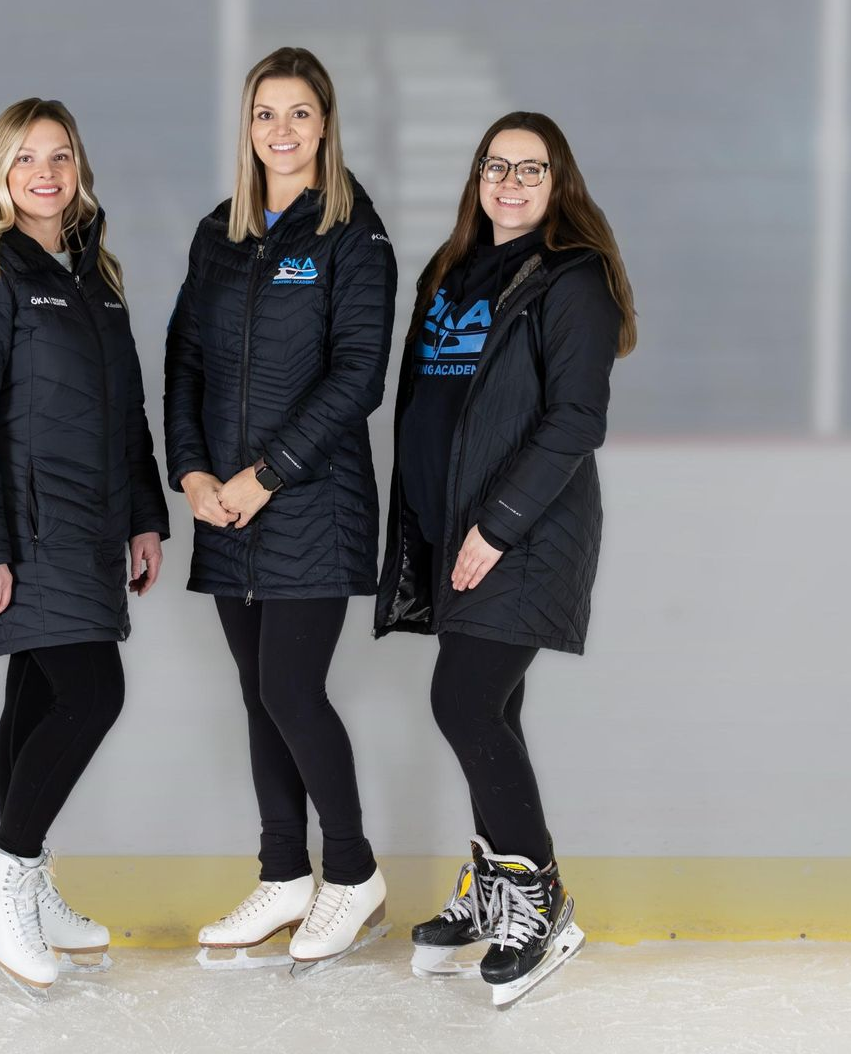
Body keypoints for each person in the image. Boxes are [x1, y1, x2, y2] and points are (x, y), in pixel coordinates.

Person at [374, 111, 638, 1008]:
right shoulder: (449, 271)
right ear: (477, 179)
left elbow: (576, 420)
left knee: (462, 700)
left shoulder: (573, 277)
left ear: (559, 183)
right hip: (454, 532)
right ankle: (497, 884)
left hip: (523, 533)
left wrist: (496, 526)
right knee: (493, 707)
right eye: (497, 166)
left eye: (532, 169)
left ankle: (540, 896)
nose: (511, 183)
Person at [0, 98, 168, 992]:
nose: (45, 173)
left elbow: (125, 411)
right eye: (25, 158)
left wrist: (144, 515)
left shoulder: (92, 272)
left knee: (36, 697)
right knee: (93, 692)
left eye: (60, 156)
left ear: (79, 170)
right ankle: (6, 871)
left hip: (93, 524)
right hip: (29, 530)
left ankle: (19, 883)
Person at [163, 46, 396, 972]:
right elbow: (184, 360)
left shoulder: (354, 235)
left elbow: (359, 375)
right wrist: (193, 475)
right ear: (248, 126)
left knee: (291, 689)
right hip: (226, 508)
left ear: (326, 123)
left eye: (300, 112)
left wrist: (270, 474)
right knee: (259, 694)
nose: (282, 130)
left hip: (312, 502)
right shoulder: (218, 234)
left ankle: (353, 873)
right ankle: (285, 875)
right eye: (266, 113)